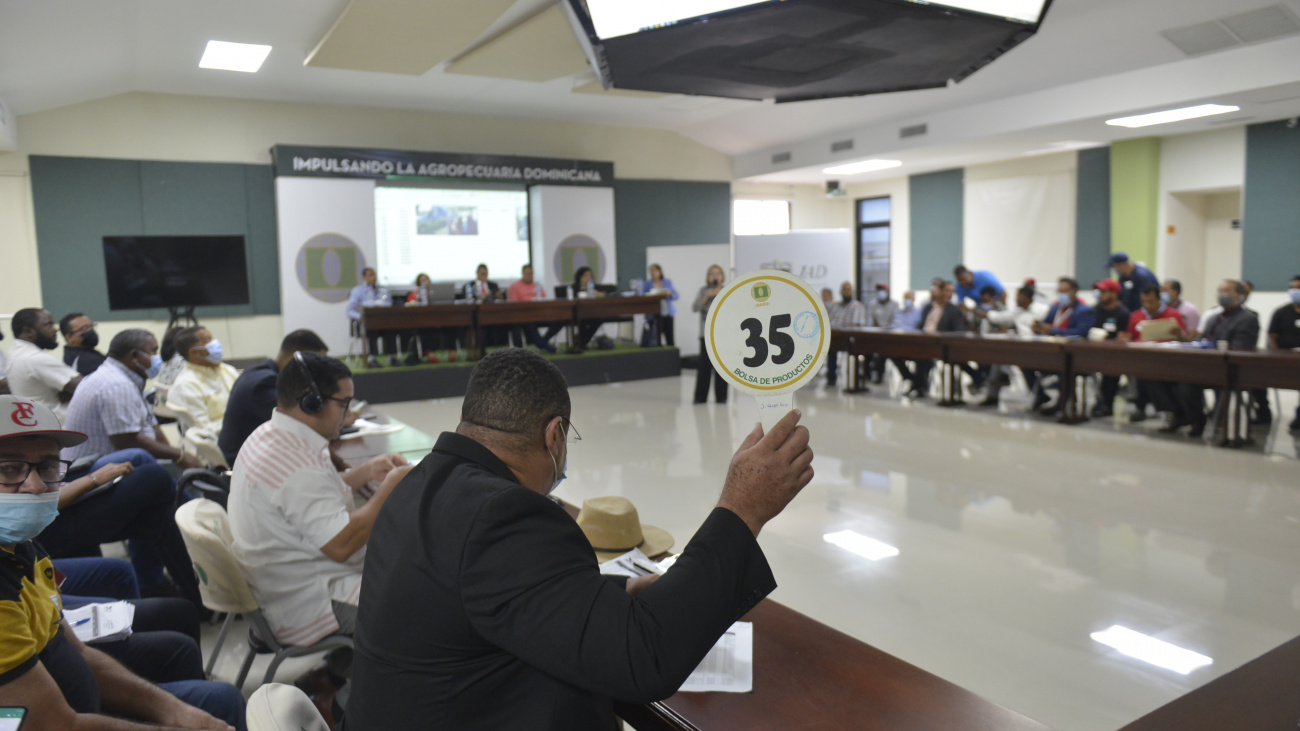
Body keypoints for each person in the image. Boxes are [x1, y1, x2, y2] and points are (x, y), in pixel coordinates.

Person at [344, 348, 814, 731]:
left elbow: (493, 595)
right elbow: (643, 658)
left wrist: (622, 589)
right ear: (555, 436)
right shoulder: (502, 514)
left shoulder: (419, 485)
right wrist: (743, 508)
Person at [0, 394, 245, 731]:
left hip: (80, 703)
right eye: (8, 469)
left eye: (46, 467)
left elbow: (77, 652)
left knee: (219, 698)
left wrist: (176, 712)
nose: (36, 486)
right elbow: (59, 724)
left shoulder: (22, 544)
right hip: (67, 719)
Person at [228, 352, 412, 723]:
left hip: (283, 582)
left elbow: (306, 501)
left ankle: (330, 676)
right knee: (414, 614)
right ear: (311, 402)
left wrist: (365, 472)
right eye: (344, 404)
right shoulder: (296, 464)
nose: (348, 414)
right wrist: (389, 488)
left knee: (401, 582)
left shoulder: (274, 436)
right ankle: (342, 707)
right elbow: (342, 545)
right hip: (307, 597)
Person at [63, 329, 203, 469]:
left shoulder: (125, 378)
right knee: (158, 473)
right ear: (135, 356)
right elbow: (127, 441)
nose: (157, 358)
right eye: (153, 352)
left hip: (108, 465)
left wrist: (175, 458)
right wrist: (179, 455)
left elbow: (151, 424)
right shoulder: (116, 385)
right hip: (89, 470)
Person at [1151, 280, 1259, 437]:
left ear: (1240, 295)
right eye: (1220, 291)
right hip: (1203, 365)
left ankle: (1197, 420)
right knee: (1157, 376)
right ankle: (1180, 415)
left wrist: (1210, 348)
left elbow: (1240, 348)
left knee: (1187, 384)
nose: (1222, 295)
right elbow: (1199, 342)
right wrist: (1182, 337)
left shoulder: (1247, 318)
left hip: (1226, 368)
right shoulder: (1214, 317)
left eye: (1227, 291)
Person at [219, 329, 330, 466]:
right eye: (316, 365)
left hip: (254, 456)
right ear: (295, 360)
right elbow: (301, 424)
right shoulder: (264, 384)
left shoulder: (259, 373)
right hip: (244, 463)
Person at [1030, 278, 1096, 414]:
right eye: (1059, 292)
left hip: (1073, 355)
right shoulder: (1055, 308)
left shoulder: (1084, 310)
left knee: (1065, 367)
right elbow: (1046, 325)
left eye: (1064, 292)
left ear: (1074, 292)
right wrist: (1038, 328)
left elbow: (1080, 333)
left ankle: (1063, 403)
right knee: (1026, 362)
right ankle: (1041, 396)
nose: (1061, 295)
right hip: (1051, 352)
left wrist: (1053, 331)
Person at [976, 285, 1048, 406]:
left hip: (1038, 348)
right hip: (1020, 347)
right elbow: (1000, 317)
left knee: (1024, 366)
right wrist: (982, 313)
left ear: (1027, 298)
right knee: (998, 360)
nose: (1016, 299)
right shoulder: (1016, 311)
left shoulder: (1043, 310)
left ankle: (1039, 395)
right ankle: (993, 394)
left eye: (1019, 297)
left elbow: (1046, 328)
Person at [6, 308, 82, 420]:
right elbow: (86, 388)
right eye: (48, 325)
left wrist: (66, 389)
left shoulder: (15, 353)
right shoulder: (34, 358)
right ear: (28, 331)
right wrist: (70, 391)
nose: (55, 330)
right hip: (59, 425)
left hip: (37, 423)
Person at [166, 326, 240, 436]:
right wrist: (242, 423)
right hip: (224, 439)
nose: (215, 343)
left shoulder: (227, 370)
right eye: (208, 340)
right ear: (195, 353)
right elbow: (204, 430)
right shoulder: (186, 385)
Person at [899, 281, 967, 399]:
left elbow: (958, 331)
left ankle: (918, 386)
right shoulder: (928, 307)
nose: (949, 294)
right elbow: (921, 325)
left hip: (939, 344)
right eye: (947, 291)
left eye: (952, 292)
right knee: (896, 353)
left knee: (923, 357)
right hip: (921, 340)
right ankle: (913, 380)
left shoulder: (954, 310)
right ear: (939, 291)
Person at [1087, 280, 1132, 417]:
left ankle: (1106, 404)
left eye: (1103, 292)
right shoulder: (1093, 311)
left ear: (1114, 294)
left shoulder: (1123, 313)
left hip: (1114, 354)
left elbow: (1123, 337)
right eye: (1099, 292)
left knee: (1112, 368)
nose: (1100, 295)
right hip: (1092, 351)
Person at [347, 267, 398, 368]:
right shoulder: (357, 291)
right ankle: (372, 358)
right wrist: (361, 317)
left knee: (391, 329)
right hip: (365, 323)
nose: (373, 278)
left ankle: (392, 356)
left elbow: (389, 304)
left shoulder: (383, 290)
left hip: (383, 322)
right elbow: (350, 311)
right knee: (371, 330)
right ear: (364, 278)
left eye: (374, 275)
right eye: (370, 275)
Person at [1268, 275, 1300, 432]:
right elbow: (1272, 336)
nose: (1295, 291)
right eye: (1292, 288)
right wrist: (1277, 355)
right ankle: (1263, 413)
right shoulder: (1281, 312)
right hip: (1284, 359)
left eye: (1298, 288)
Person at [506, 264, 562, 354]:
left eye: (531, 273)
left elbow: (544, 300)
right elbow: (513, 305)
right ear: (522, 273)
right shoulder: (515, 286)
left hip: (539, 314)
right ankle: (546, 347)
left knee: (560, 320)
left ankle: (543, 342)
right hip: (523, 317)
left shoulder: (537, 285)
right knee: (529, 324)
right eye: (528, 273)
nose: (530, 275)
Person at [693, 265, 728, 404]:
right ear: (708, 277)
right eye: (712, 274)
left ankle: (722, 397)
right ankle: (700, 398)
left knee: (722, 367)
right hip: (706, 334)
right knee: (704, 367)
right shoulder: (703, 291)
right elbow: (695, 307)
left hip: (723, 334)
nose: (715, 276)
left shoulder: (726, 290)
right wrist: (706, 297)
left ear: (722, 276)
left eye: (718, 273)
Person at [825, 281, 867, 388]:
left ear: (852, 292)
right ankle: (831, 378)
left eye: (849, 290)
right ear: (841, 292)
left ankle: (854, 380)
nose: (847, 292)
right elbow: (827, 321)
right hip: (834, 337)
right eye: (844, 289)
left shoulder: (857, 306)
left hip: (849, 338)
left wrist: (839, 326)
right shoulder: (834, 306)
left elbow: (855, 324)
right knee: (830, 348)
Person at [637, 264, 679, 347]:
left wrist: (669, 293)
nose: (653, 273)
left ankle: (671, 353)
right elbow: (643, 297)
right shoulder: (647, 284)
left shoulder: (667, 282)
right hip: (654, 315)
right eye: (651, 271)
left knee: (669, 337)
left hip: (667, 313)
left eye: (655, 270)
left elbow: (676, 296)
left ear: (660, 272)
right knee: (656, 338)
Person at [572, 267, 603, 349]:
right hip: (577, 313)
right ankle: (581, 342)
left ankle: (581, 342)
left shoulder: (594, 286)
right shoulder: (575, 287)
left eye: (590, 275)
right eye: (586, 276)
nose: (588, 278)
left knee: (599, 320)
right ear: (580, 277)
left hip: (591, 312)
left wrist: (598, 294)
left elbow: (602, 294)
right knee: (582, 320)